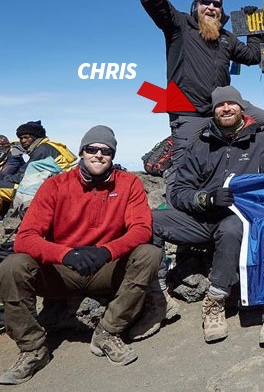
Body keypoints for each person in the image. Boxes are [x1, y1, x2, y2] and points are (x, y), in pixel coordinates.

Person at [0, 126, 162, 384]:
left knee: (150, 254)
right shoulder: (55, 186)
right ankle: (33, 349)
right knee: (12, 264)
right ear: (82, 152)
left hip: (105, 268)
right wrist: (66, 255)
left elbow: (141, 229)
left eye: (106, 151)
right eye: (92, 149)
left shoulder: (129, 183)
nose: (99, 155)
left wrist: (106, 251)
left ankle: (108, 332)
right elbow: (26, 237)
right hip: (62, 273)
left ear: (112, 155)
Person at [137, 86, 264, 346]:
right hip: (200, 219)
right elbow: (179, 192)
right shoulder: (200, 146)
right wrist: (205, 198)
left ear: (242, 109)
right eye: (220, 105)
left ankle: (215, 301)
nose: (226, 108)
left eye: (231, 104)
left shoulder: (263, 142)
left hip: (237, 221)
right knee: (148, 220)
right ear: (213, 111)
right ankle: (158, 297)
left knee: (231, 227)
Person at [140, 0, 264, 197]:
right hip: (189, 112)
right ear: (196, 5)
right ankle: (173, 213)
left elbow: (252, 56)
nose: (211, 7)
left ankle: (250, 173)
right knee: (182, 167)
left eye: (217, 4)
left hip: (222, 107)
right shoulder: (179, 26)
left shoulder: (226, 38)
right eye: (206, 3)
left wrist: (253, 29)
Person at [0, 121, 76, 213]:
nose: (23, 141)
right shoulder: (47, 146)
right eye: (21, 138)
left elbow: (23, 176)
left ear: (35, 136)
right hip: (57, 185)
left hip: (52, 190)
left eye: (26, 137)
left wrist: (5, 178)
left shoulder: (42, 151)